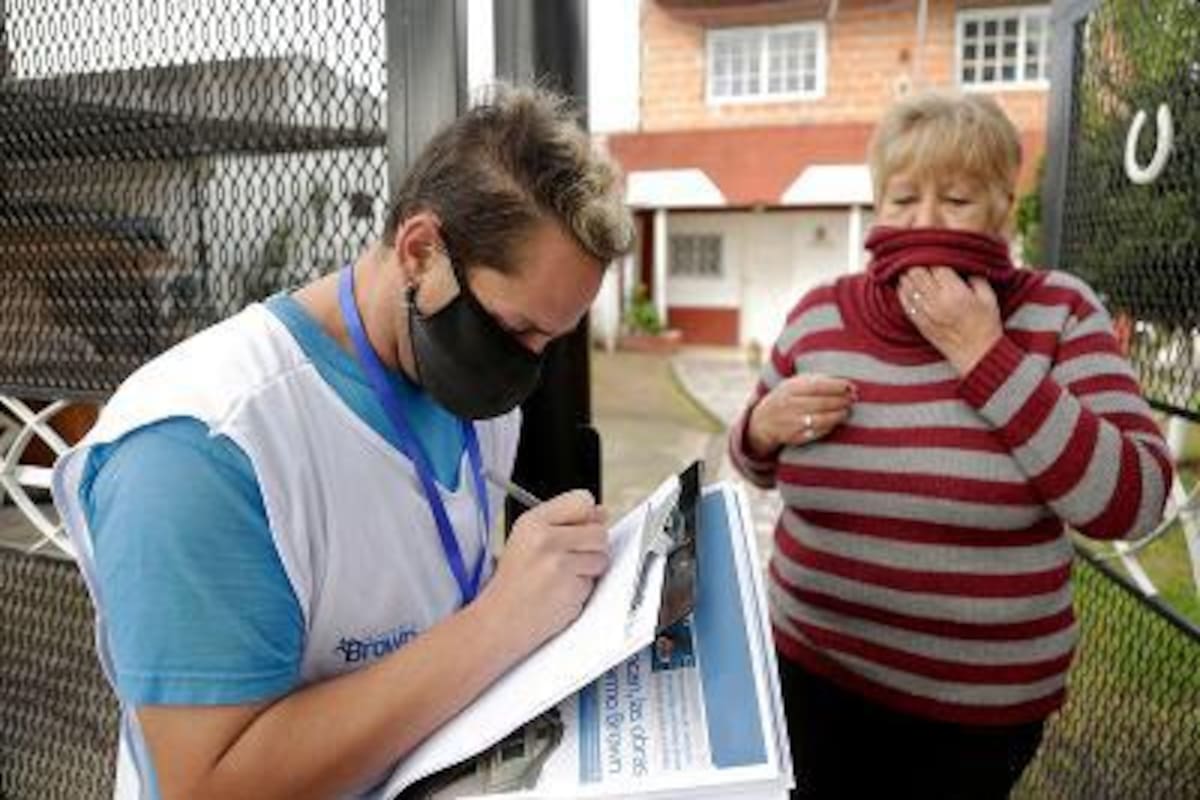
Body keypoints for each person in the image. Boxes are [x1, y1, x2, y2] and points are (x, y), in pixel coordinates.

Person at [52, 85, 634, 799]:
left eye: (551, 340)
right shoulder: (199, 445)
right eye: (516, 332)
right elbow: (207, 785)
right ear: (420, 251)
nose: (527, 368)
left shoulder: (465, 387)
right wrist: (501, 622)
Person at [729, 90, 1173, 799]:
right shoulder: (819, 314)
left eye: (957, 200)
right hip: (810, 668)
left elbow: (1135, 503)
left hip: (978, 713)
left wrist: (983, 353)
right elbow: (752, 462)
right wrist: (759, 427)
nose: (924, 222)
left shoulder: (1059, 312)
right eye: (903, 199)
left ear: (1001, 206)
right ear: (877, 206)